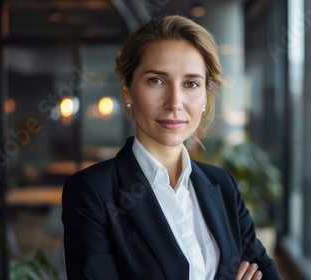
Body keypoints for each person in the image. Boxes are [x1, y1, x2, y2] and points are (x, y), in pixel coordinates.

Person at [62, 15, 281, 280]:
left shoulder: (222, 185)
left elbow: (266, 273)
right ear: (127, 90)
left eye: (191, 84)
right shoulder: (92, 193)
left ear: (205, 97)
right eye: (156, 80)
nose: (174, 102)